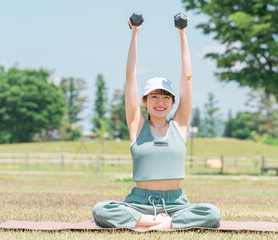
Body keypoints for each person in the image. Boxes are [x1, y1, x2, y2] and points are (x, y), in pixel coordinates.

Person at [92, 15, 221, 230]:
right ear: (144, 101)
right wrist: (135, 33)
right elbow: (130, 77)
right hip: (139, 203)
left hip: (176, 204)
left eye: (166, 97)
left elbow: (187, 78)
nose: (160, 102)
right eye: (154, 97)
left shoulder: (179, 125)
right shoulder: (137, 125)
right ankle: (160, 223)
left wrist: (183, 34)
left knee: (212, 213)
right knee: (101, 209)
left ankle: (163, 222)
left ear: (172, 103)